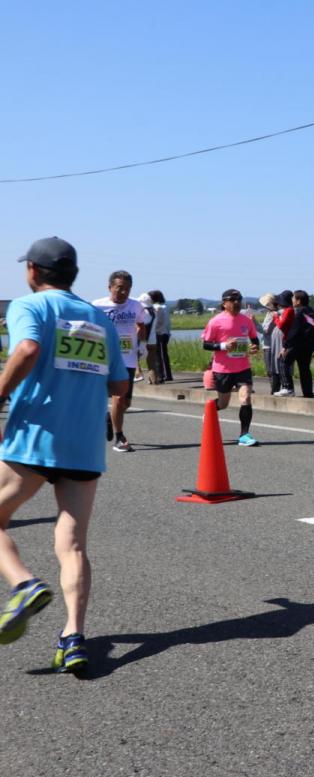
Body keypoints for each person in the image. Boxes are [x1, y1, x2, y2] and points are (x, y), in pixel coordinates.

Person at [0, 237, 126, 673]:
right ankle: (73, 636)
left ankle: (24, 584)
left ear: (33, 270)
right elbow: (118, 385)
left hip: (35, 437)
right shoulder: (99, 318)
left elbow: (28, 349)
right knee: (72, 544)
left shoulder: (28, 307)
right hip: (85, 444)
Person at [93, 270, 150, 452]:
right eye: (119, 288)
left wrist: (142, 343)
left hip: (128, 358)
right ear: (110, 287)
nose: (123, 292)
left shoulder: (135, 306)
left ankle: (110, 418)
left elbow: (141, 324)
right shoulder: (97, 306)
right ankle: (120, 437)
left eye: (127, 289)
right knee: (118, 396)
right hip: (104, 358)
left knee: (126, 402)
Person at [201, 289, 261, 446]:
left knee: (246, 397)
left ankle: (244, 435)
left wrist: (255, 347)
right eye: (233, 299)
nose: (236, 302)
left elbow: (255, 339)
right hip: (223, 369)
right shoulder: (216, 321)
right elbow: (206, 344)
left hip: (243, 367)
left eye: (239, 299)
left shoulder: (246, 320)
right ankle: (209, 411)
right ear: (224, 303)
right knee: (223, 404)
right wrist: (223, 345)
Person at [282, 290, 314, 398]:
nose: (292, 300)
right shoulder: (310, 311)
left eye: (293, 298)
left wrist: (285, 345)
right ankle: (308, 392)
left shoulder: (298, 311)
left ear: (298, 301)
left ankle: (287, 387)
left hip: (297, 345)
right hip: (308, 346)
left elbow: (294, 331)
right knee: (305, 369)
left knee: (283, 362)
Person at [260, 293, 285, 396]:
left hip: (269, 345)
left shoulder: (272, 314)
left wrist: (253, 322)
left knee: (271, 370)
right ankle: (275, 389)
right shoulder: (271, 313)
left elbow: (265, 330)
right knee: (272, 369)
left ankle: (274, 390)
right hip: (270, 344)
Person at [148, 290, 173, 382]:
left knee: (160, 355)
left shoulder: (157, 307)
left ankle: (162, 375)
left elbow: (158, 321)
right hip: (165, 332)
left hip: (159, 333)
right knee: (162, 354)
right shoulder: (165, 306)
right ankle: (166, 375)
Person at [136, 292, 160, 384]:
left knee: (134, 357)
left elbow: (141, 327)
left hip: (143, 340)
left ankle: (138, 374)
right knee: (151, 363)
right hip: (153, 340)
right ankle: (154, 380)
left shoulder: (144, 312)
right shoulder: (154, 311)